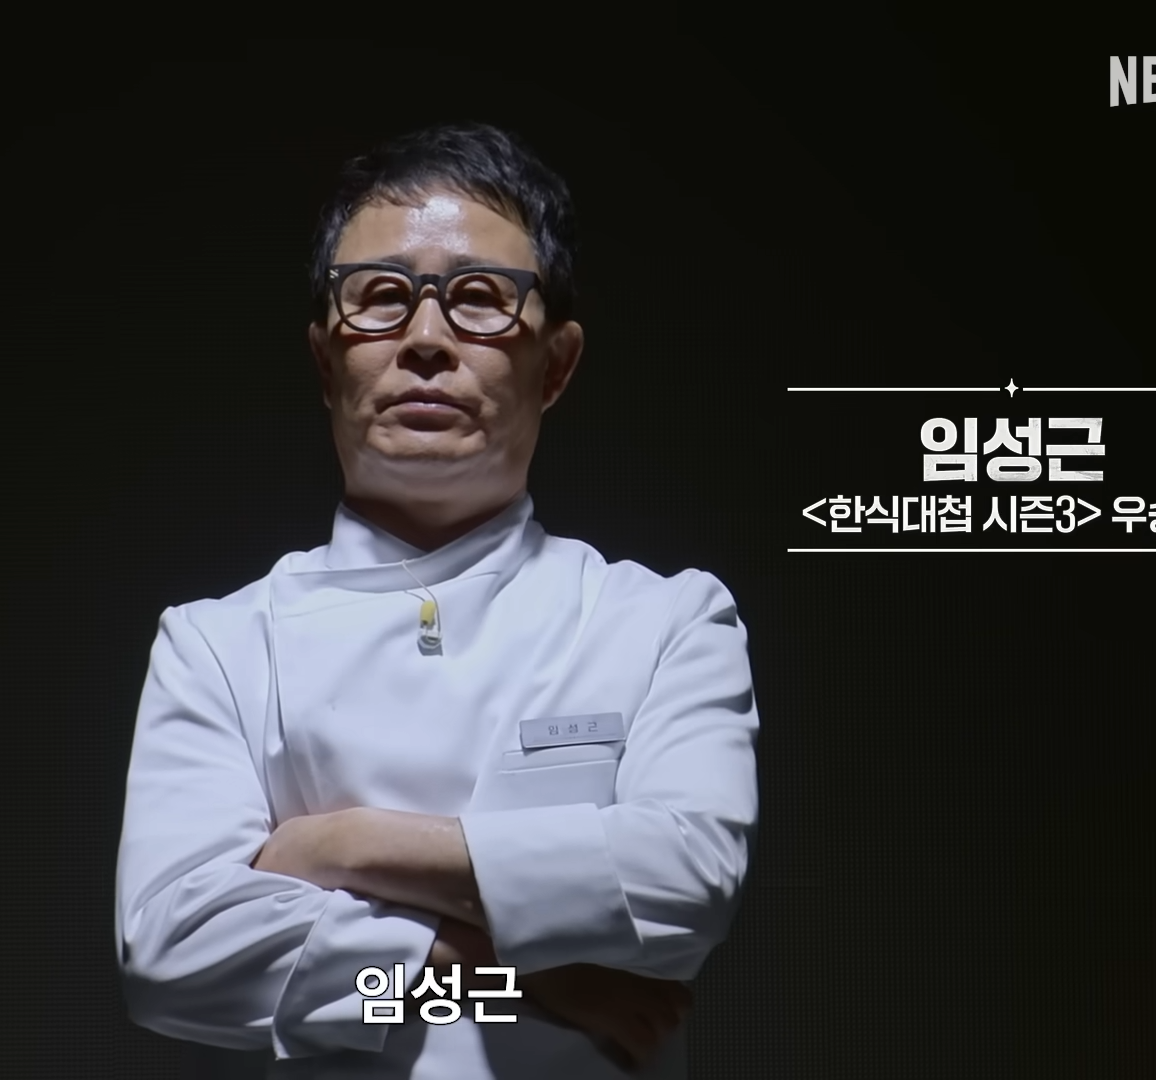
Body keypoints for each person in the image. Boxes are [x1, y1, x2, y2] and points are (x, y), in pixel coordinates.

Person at [115, 122, 760, 1078]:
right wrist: (511, 976)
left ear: (556, 364)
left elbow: (686, 878)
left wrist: (342, 842)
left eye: (480, 299)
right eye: (380, 298)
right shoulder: (218, 643)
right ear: (326, 359)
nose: (425, 340)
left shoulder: (666, 621)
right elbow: (171, 953)